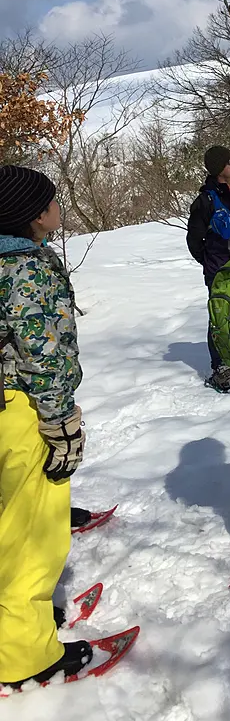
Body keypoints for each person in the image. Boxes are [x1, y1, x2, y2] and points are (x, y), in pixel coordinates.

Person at [0, 166, 92, 688]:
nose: (59, 209)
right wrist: (59, 422)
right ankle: (23, 655)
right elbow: (45, 355)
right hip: (20, 410)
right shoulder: (25, 269)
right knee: (30, 534)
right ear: (34, 216)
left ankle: (13, 626)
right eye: (53, 202)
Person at [187, 145, 230, 392]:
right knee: (221, 317)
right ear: (219, 168)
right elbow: (194, 240)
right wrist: (210, 261)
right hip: (219, 271)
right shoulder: (205, 201)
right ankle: (222, 367)